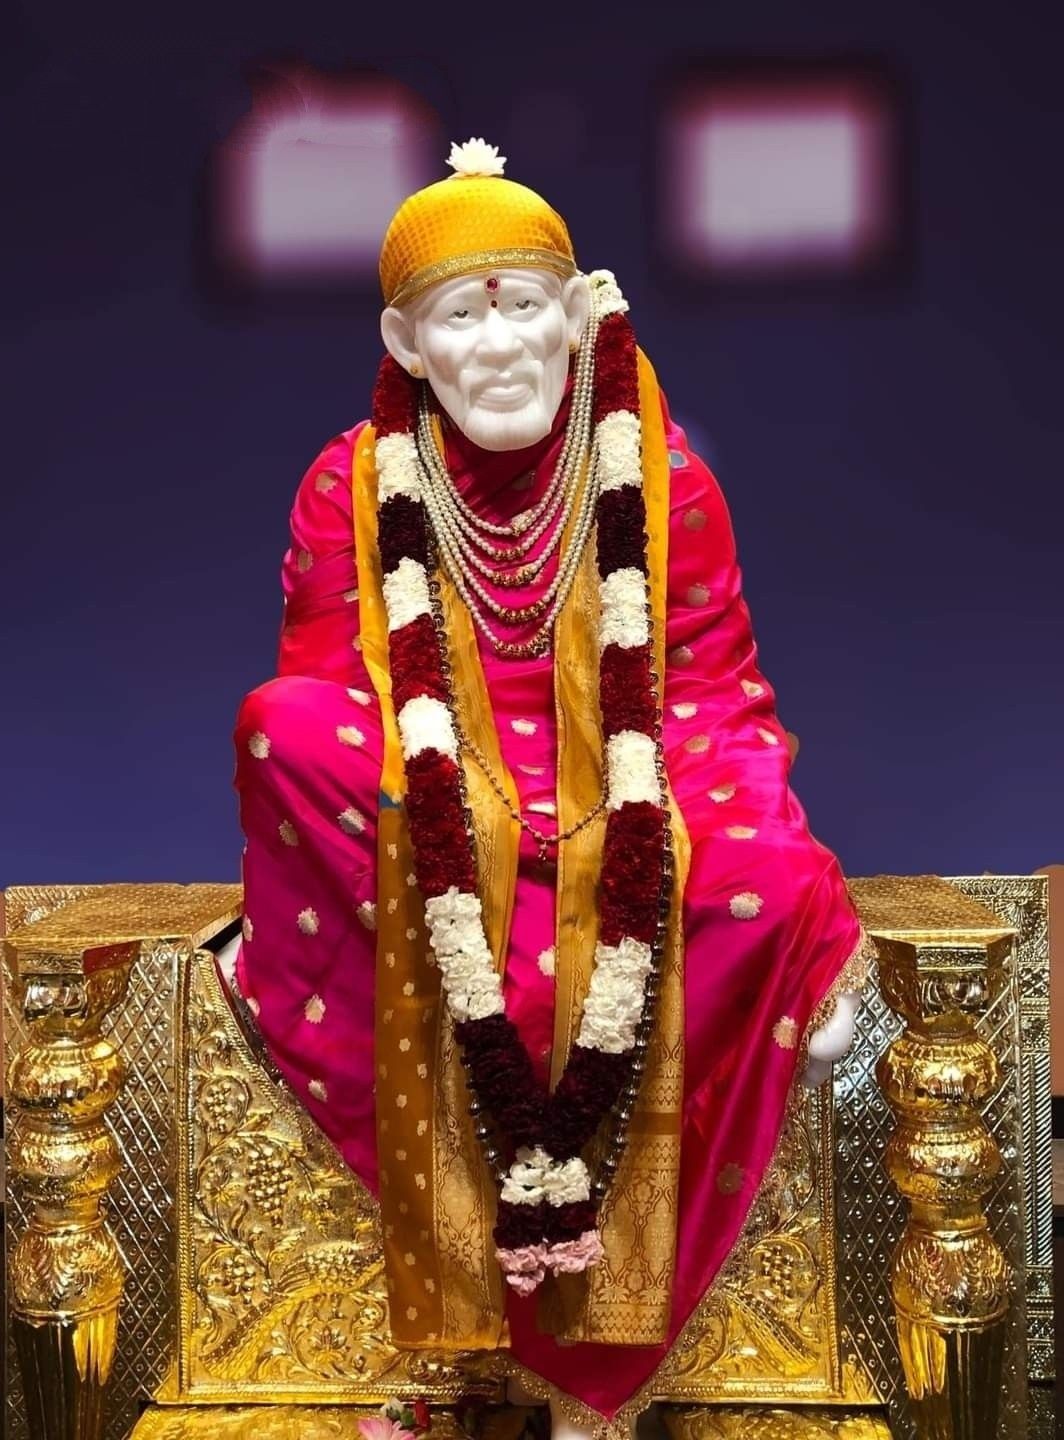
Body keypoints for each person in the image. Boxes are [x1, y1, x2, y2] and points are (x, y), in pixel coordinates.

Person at [230, 138, 872, 1438]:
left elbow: (714, 689)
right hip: (440, 795)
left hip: (635, 782)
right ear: (406, 347)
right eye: (464, 318)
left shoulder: (662, 470)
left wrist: (747, 819)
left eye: (526, 304)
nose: (504, 343)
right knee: (280, 727)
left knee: (771, 880)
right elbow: (329, 693)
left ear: (582, 315)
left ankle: (609, 1352)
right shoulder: (350, 484)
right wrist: (449, 791)